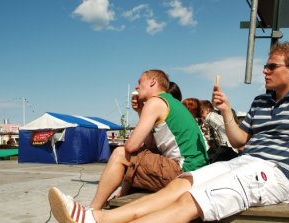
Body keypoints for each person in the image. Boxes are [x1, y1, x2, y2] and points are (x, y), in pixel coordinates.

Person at [48, 42, 289, 223]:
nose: (265, 70)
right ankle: (97, 217)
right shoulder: (260, 102)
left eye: (272, 66)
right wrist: (228, 111)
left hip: (275, 173)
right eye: (266, 65)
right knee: (183, 183)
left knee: (191, 202)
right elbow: (241, 140)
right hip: (245, 160)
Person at [89, 70, 208, 210]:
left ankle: (92, 211)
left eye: (140, 82)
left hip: (184, 172)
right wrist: (140, 111)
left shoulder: (155, 102)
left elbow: (130, 147)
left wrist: (145, 109)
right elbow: (151, 144)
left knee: (120, 154)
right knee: (141, 153)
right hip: (197, 173)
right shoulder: (171, 103)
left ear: (152, 82)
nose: (137, 87)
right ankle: (118, 199)